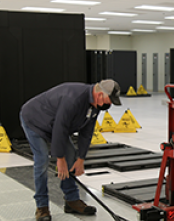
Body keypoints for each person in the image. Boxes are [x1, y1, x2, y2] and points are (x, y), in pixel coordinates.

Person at [20, 79, 122, 221]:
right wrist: (59, 159)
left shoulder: (95, 105)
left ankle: (71, 201)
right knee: (42, 160)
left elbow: (86, 133)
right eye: (109, 100)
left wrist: (81, 158)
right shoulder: (73, 99)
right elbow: (60, 128)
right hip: (35, 120)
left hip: (54, 125)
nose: (109, 104)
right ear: (99, 95)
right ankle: (42, 207)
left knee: (71, 155)